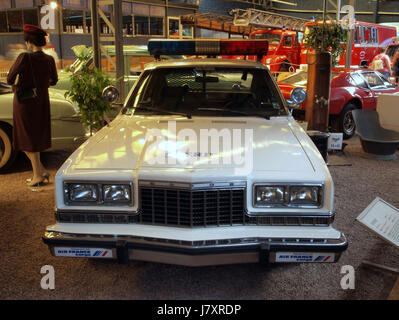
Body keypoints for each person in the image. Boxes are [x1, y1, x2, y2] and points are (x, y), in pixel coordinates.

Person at [7, 24, 58, 187]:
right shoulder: (49, 59)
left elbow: (9, 78)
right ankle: (41, 171)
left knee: (25, 139)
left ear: (29, 42)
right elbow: (54, 80)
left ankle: (38, 175)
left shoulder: (24, 57)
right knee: (34, 137)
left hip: (25, 103)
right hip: (42, 101)